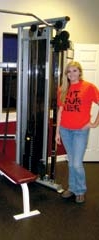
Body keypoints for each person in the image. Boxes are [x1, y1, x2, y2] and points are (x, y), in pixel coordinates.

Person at [55, 61, 99, 203]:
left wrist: (94, 123)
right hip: (65, 130)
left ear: (80, 72)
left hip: (80, 131)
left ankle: (80, 190)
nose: (72, 74)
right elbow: (60, 111)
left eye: (75, 71)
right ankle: (73, 188)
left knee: (76, 163)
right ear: (66, 74)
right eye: (69, 71)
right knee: (71, 162)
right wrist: (57, 132)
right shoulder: (62, 89)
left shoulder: (88, 87)